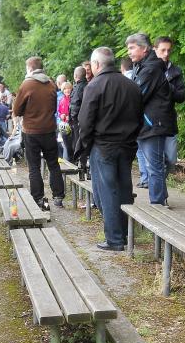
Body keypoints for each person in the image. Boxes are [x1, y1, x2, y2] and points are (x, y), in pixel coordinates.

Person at [78, 47, 143, 251]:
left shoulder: (95, 85)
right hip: (127, 146)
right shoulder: (132, 85)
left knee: (106, 192)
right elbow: (140, 117)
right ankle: (124, 233)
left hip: (103, 146)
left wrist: (84, 147)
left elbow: (85, 121)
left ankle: (114, 239)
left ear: (97, 65)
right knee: (124, 189)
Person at [127, 32, 176, 205]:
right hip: (147, 124)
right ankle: (160, 199)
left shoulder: (150, 69)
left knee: (154, 167)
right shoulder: (143, 66)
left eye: (132, 48)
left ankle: (157, 204)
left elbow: (137, 97)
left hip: (153, 124)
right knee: (154, 166)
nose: (129, 52)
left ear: (144, 48)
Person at [13, 56, 65, 208]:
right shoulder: (51, 84)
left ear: (30, 68)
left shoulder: (27, 85)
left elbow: (16, 110)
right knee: (53, 164)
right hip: (49, 130)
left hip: (31, 131)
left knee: (34, 166)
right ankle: (58, 196)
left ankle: (38, 198)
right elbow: (54, 107)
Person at [154, 36, 185, 177]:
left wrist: (167, 86)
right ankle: (158, 192)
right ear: (155, 50)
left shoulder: (176, 71)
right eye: (163, 50)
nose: (166, 54)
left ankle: (159, 185)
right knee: (156, 160)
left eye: (169, 50)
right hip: (152, 121)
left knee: (171, 159)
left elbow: (181, 96)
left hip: (169, 120)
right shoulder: (148, 70)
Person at [70, 66, 88, 166]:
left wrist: (73, 117)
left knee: (79, 142)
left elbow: (76, 104)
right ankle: (81, 163)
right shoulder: (86, 85)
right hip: (81, 119)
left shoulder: (80, 87)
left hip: (78, 121)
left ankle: (81, 164)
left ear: (76, 75)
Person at [58, 81, 73, 160]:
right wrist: (61, 115)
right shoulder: (61, 100)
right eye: (65, 89)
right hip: (64, 126)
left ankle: (70, 161)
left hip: (72, 125)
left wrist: (69, 117)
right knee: (65, 145)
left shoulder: (73, 99)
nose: (67, 90)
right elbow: (59, 112)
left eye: (68, 88)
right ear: (63, 90)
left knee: (70, 146)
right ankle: (67, 162)